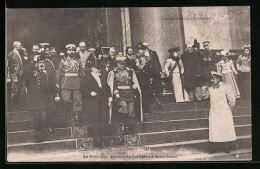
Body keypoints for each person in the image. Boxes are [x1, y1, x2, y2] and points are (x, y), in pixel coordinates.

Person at [25, 43, 57, 142]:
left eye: (44, 51)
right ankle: (39, 137)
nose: (42, 54)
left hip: (47, 94)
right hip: (35, 95)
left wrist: (56, 93)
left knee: (51, 111)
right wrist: (33, 61)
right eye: (41, 52)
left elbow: (52, 79)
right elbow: (26, 76)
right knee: (37, 116)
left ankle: (50, 130)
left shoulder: (49, 64)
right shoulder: (30, 63)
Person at [202, 71, 237, 154]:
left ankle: (227, 147)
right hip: (214, 112)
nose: (212, 80)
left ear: (219, 79)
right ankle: (214, 148)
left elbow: (232, 100)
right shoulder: (210, 88)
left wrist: (228, 110)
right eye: (211, 79)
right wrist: (203, 89)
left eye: (214, 78)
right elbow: (204, 97)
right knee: (215, 130)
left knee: (225, 129)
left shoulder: (226, 87)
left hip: (224, 112)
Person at [107, 55, 141, 134]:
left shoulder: (130, 71)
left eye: (122, 62)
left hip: (129, 93)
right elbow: (112, 84)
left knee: (131, 110)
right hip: (120, 94)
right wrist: (116, 92)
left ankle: (127, 126)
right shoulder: (113, 72)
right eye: (119, 63)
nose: (121, 64)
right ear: (117, 63)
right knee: (123, 107)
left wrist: (134, 85)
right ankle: (122, 125)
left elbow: (133, 81)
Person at [56, 44, 85, 126]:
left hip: (76, 82)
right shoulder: (63, 61)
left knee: (77, 101)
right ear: (67, 51)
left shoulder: (78, 61)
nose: (71, 51)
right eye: (70, 50)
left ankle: (76, 118)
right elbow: (58, 73)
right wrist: (57, 82)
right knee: (65, 100)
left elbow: (82, 73)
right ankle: (69, 116)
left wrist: (81, 81)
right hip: (66, 82)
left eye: (73, 50)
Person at [80, 64, 112, 136]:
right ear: (92, 69)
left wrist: (110, 96)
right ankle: (95, 134)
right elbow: (82, 88)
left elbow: (107, 88)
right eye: (96, 69)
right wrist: (90, 92)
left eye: (98, 69)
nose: (98, 70)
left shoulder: (102, 77)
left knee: (104, 116)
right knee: (95, 117)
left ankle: (104, 133)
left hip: (103, 100)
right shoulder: (87, 78)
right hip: (92, 101)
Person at [134, 44, 153, 113]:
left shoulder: (147, 59)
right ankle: (140, 110)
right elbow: (138, 68)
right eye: (138, 51)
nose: (138, 52)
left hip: (145, 79)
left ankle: (145, 109)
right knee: (139, 94)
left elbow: (150, 69)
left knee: (146, 94)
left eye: (140, 51)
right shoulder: (135, 60)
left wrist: (150, 77)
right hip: (138, 79)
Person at [7, 41, 24, 111]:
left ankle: (18, 107)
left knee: (19, 91)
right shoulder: (11, 54)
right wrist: (13, 77)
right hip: (14, 76)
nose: (21, 46)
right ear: (15, 46)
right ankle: (12, 108)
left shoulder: (20, 53)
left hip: (20, 75)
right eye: (20, 45)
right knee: (13, 91)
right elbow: (9, 66)